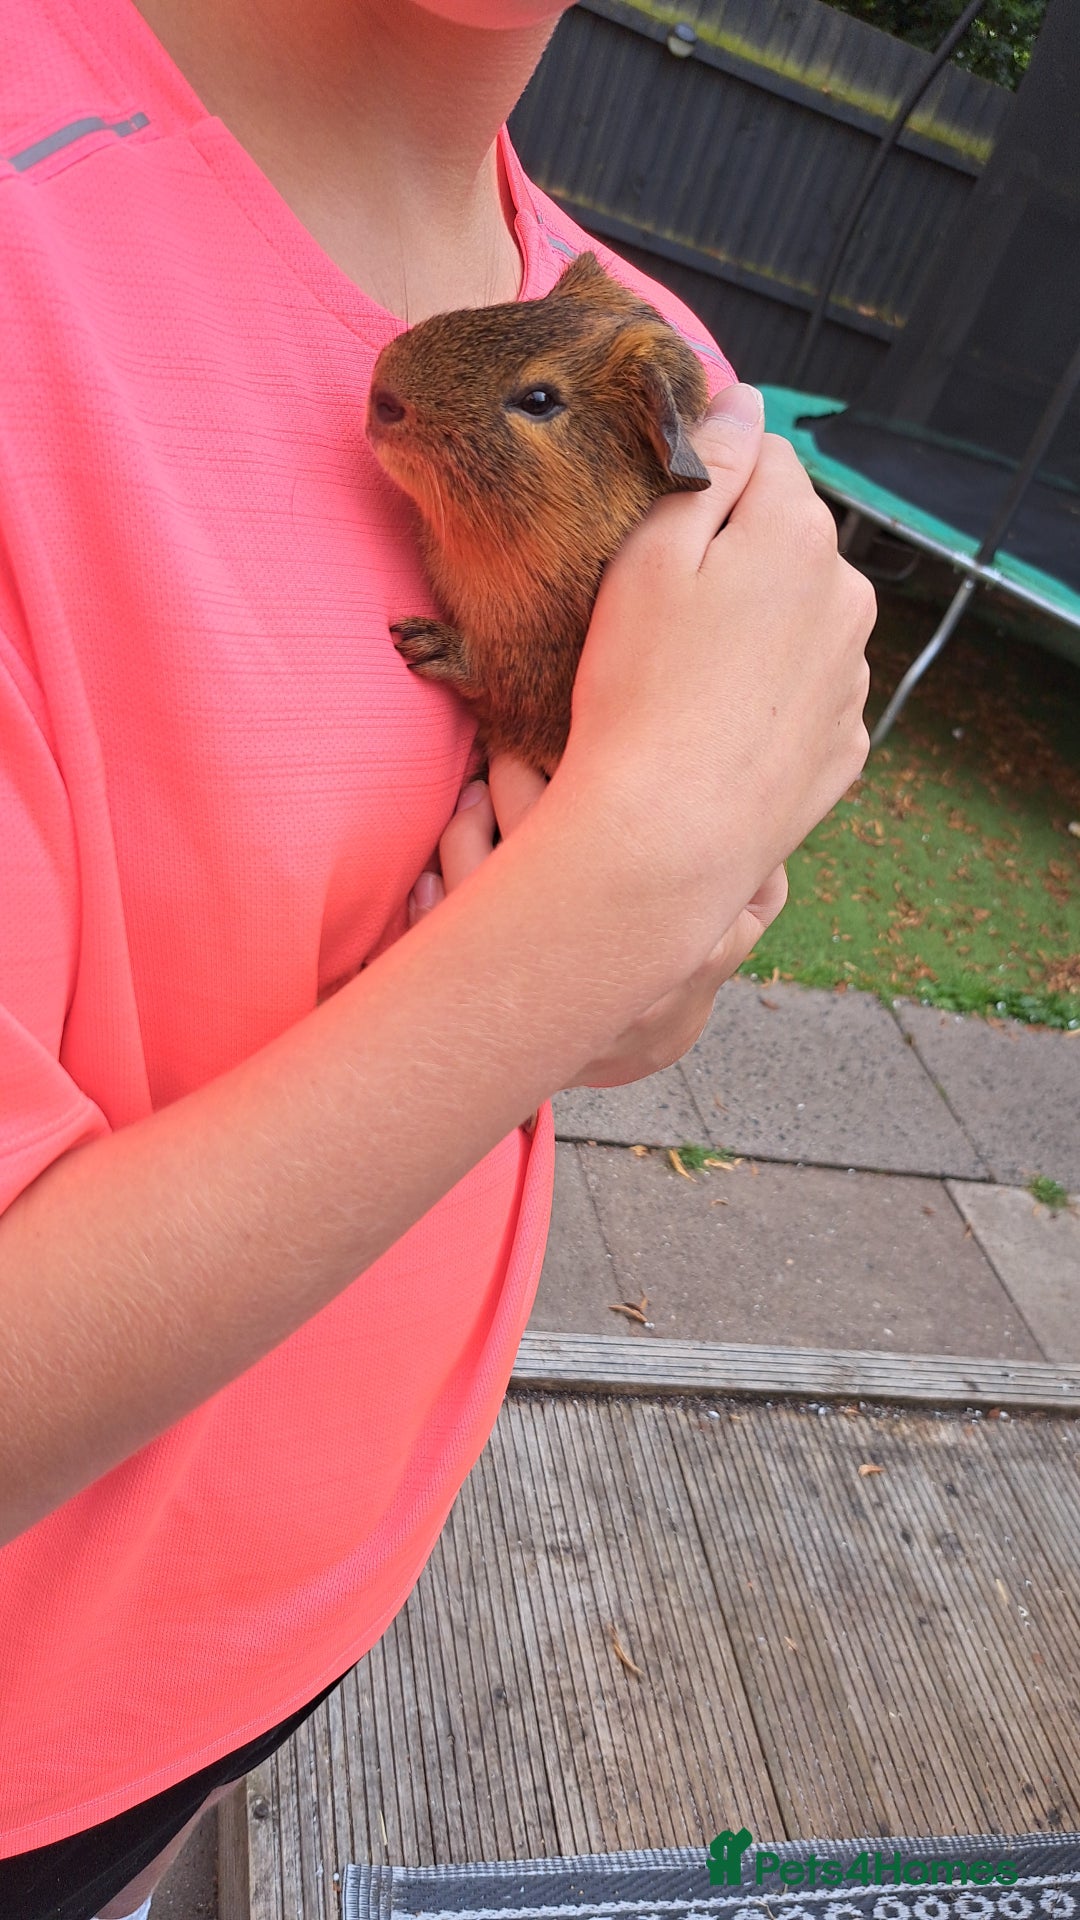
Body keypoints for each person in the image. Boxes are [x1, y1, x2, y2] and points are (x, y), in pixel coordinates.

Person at [0, 0, 875, 1914]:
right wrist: (625, 882)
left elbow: (633, 1005)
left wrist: (661, 946)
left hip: (318, 1586)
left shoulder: (671, 372)